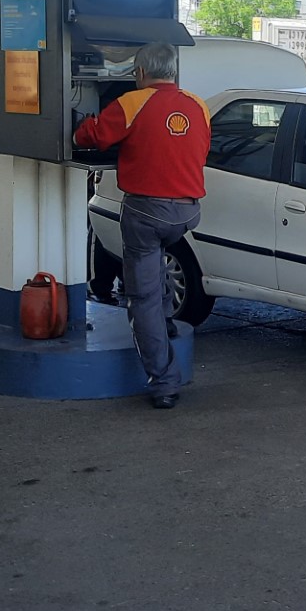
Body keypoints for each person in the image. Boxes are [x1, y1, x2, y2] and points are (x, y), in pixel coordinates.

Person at [73, 43, 210, 410]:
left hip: (147, 212)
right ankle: (165, 323)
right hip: (186, 213)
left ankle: (164, 383)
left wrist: (78, 125)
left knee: (142, 296)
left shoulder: (132, 103)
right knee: (157, 261)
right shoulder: (198, 105)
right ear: (173, 71)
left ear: (139, 72)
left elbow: (92, 136)